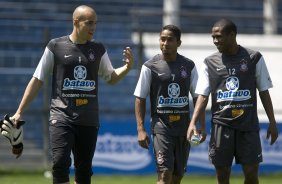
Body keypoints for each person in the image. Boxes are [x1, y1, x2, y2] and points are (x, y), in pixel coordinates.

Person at [10, 5, 133, 184]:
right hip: (61, 116)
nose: (93, 27)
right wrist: (20, 111)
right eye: (89, 23)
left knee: (84, 173)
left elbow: (111, 78)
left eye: (95, 23)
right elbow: (37, 79)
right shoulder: (55, 46)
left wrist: (127, 68)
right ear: (76, 22)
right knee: (60, 164)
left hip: (88, 119)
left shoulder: (98, 49)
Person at [187, 18, 279, 184]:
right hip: (221, 126)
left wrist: (272, 122)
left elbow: (264, 92)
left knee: (251, 175)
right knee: (222, 176)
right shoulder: (210, 62)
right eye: (213, 37)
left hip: (248, 126)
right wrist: (193, 122)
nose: (215, 41)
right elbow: (202, 95)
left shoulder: (254, 58)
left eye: (219, 36)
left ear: (232, 35)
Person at [134, 25, 206, 184]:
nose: (165, 43)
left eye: (170, 40)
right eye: (162, 39)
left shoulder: (189, 66)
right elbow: (140, 97)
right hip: (161, 127)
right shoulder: (149, 66)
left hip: (184, 128)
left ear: (178, 42)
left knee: (176, 178)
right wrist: (140, 129)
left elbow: (198, 97)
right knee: (165, 174)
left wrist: (201, 124)